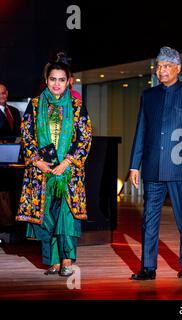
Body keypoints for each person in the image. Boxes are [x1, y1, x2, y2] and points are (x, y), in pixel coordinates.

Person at [129, 46, 182, 280]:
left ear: (178, 69)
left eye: (166, 66)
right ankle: (148, 267)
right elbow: (141, 130)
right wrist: (134, 164)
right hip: (152, 167)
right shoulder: (148, 96)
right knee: (149, 219)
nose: (161, 71)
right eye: (158, 66)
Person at [15, 55, 92, 276]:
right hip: (42, 173)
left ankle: (67, 260)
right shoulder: (36, 105)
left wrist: (67, 162)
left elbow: (84, 137)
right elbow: (27, 134)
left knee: (66, 217)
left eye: (61, 79)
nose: (56, 84)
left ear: (68, 81)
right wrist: (37, 161)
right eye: (52, 79)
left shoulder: (77, 106)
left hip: (69, 173)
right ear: (46, 80)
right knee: (47, 216)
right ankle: (54, 261)